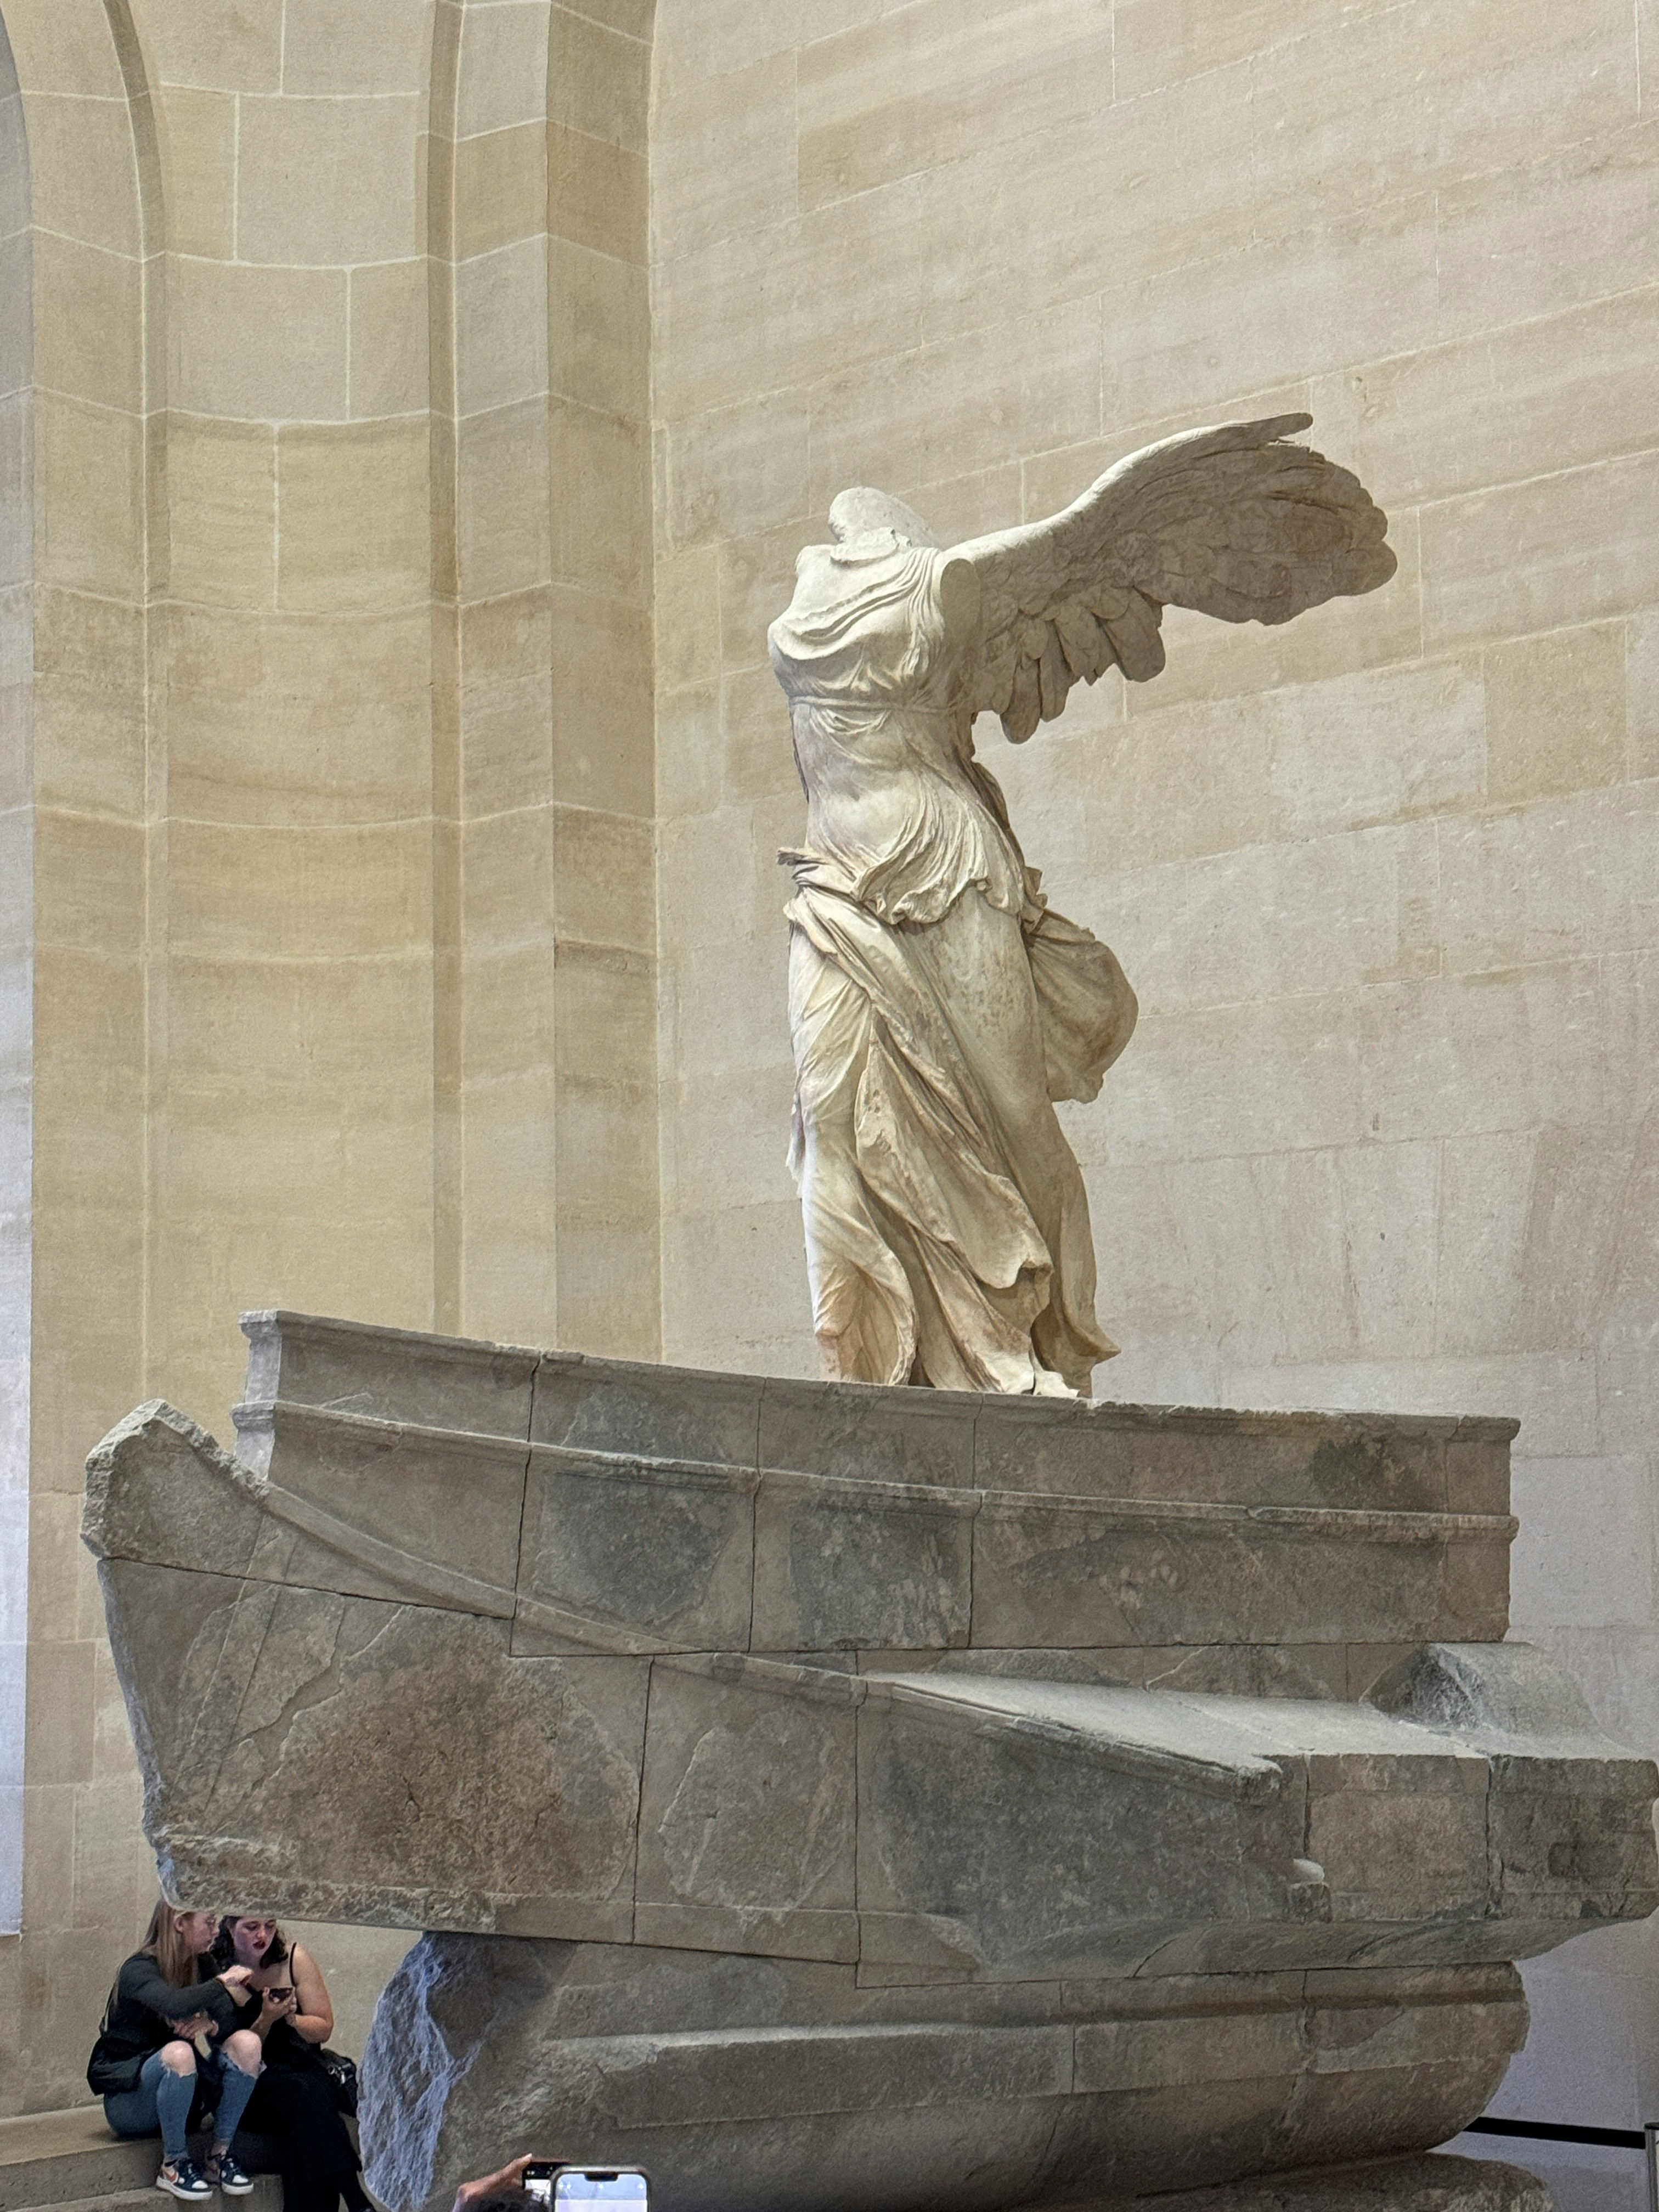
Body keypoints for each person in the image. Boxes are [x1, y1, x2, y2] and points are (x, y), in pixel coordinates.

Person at [90, 1898, 264, 2200]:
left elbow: (233, 2020)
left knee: (248, 2044)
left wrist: (209, 2025)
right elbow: (174, 2003)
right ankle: (173, 2164)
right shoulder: (138, 1969)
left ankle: (218, 2156)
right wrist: (222, 1983)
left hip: (182, 2094)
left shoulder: (202, 1964)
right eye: (209, 1922)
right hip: (129, 2102)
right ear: (180, 1923)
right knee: (178, 2052)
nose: (215, 1931)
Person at [210, 1913, 370, 2212]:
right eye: (251, 1927)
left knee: (308, 2103)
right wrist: (266, 2019)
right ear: (229, 1927)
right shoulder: (215, 1968)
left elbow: (323, 2027)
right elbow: (232, 2050)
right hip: (253, 2084)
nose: (263, 1935)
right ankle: (355, 2197)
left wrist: (291, 2018)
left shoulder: (293, 1958)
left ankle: (356, 2203)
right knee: (308, 2094)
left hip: (301, 2069)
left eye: (269, 1925)